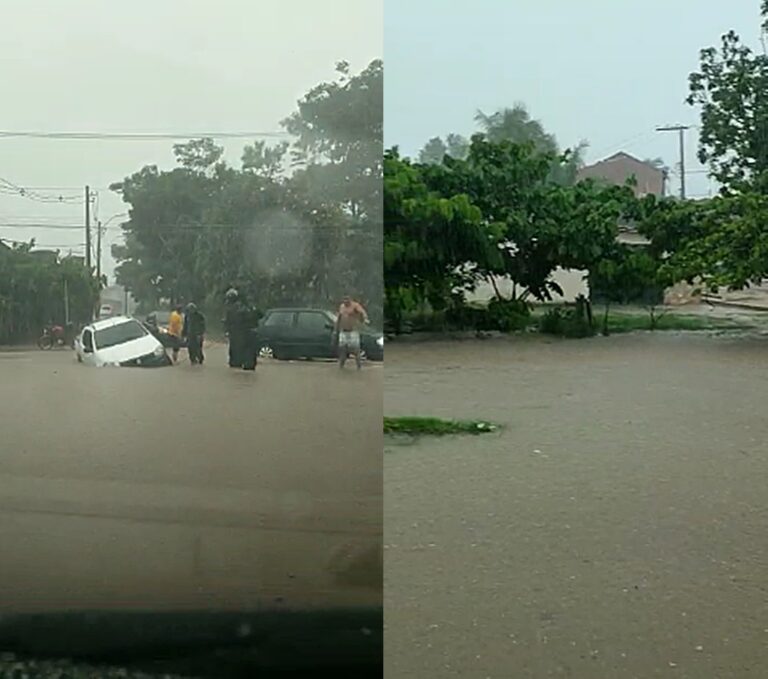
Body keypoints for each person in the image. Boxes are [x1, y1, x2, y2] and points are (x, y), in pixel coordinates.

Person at [335, 295, 369, 370]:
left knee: (356, 349)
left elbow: (362, 312)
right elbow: (339, 317)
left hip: (353, 331)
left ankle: (359, 367)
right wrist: (336, 327)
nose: (345, 301)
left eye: (347, 299)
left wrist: (365, 318)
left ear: (350, 299)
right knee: (342, 349)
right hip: (343, 331)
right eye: (344, 299)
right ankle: (341, 367)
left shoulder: (355, 306)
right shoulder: (342, 307)